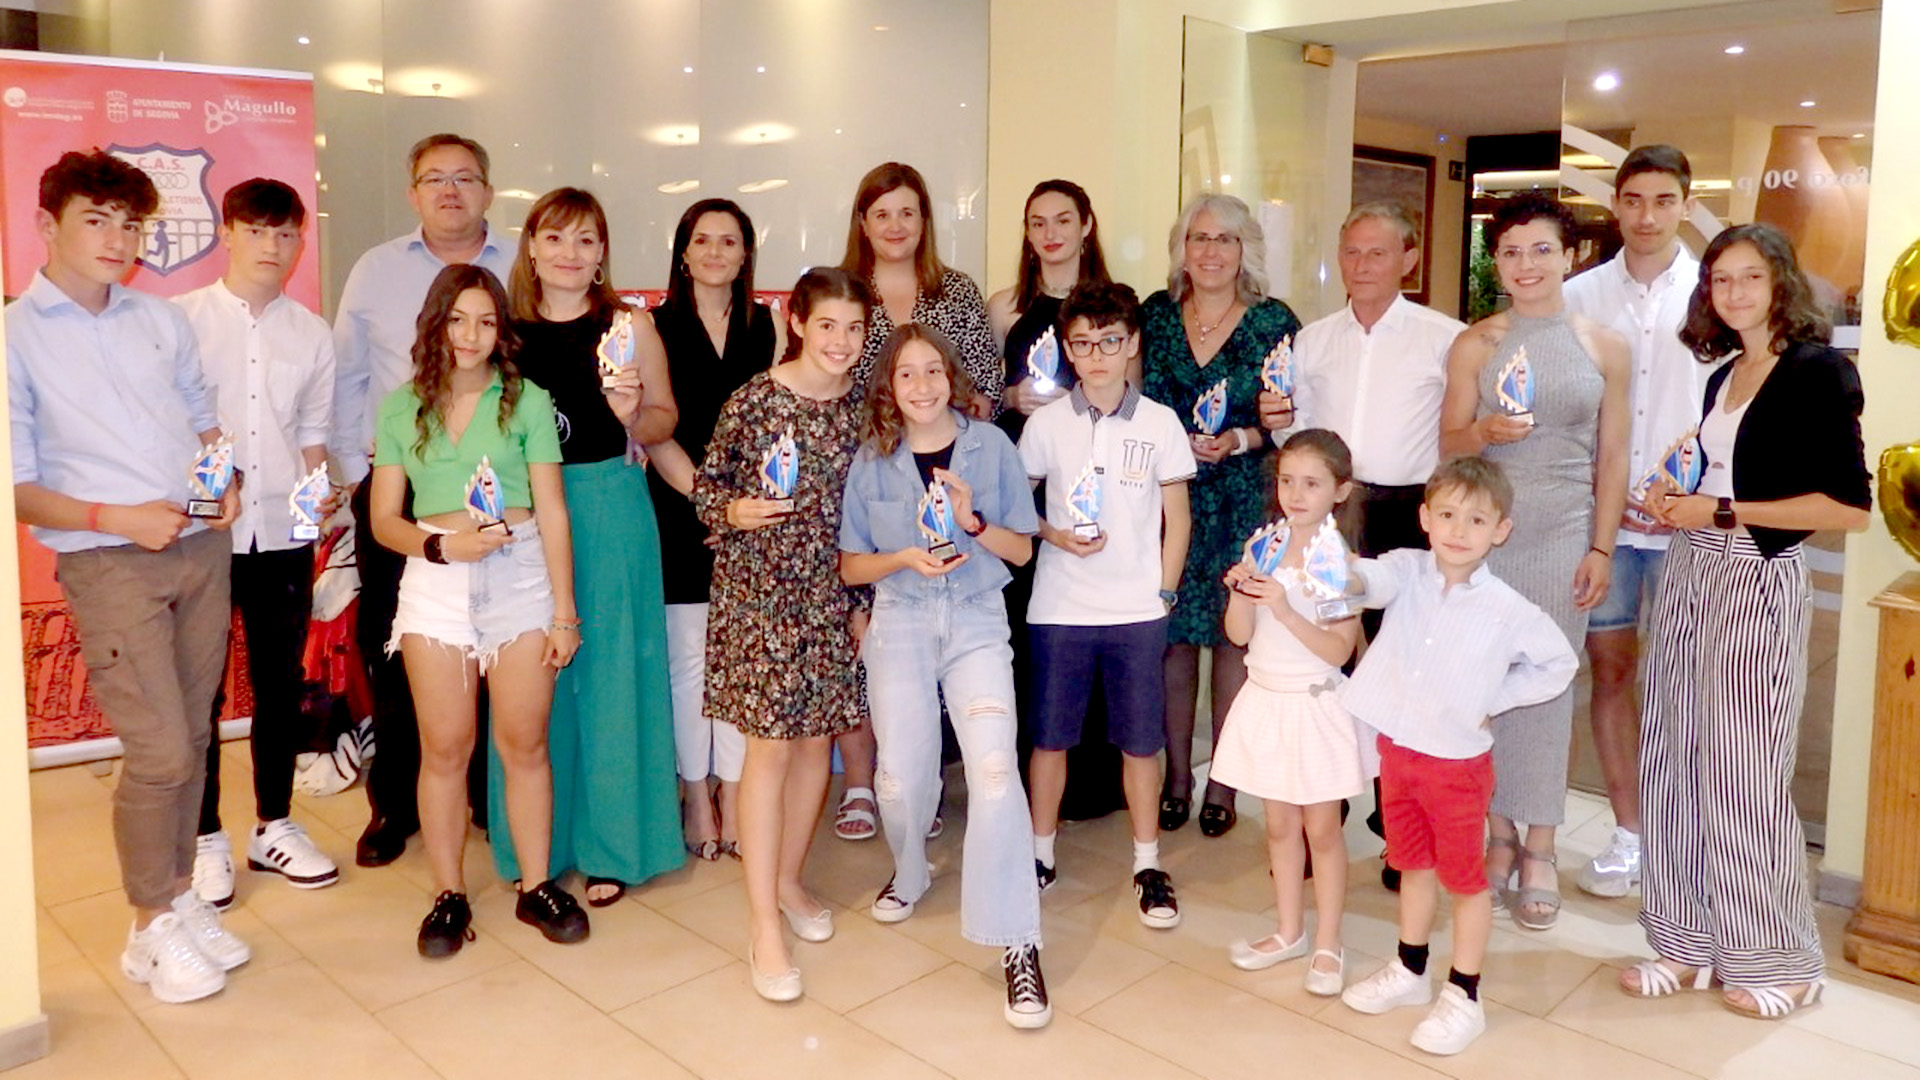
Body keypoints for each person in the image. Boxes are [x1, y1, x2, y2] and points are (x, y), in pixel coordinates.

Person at [9, 150, 247, 1002]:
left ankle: (179, 899)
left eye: (130, 225)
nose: (117, 241)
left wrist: (227, 484)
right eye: (96, 221)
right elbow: (18, 486)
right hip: (109, 561)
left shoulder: (158, 318)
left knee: (190, 741)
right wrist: (118, 518)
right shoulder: (15, 335)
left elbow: (201, 417)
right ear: (48, 225)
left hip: (196, 546)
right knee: (155, 753)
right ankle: (147, 929)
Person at [1623, 222, 1869, 1019]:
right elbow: (1712, 471)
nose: (1732, 293)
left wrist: (1719, 510)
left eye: (1749, 278)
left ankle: (1782, 960)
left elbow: (1846, 507)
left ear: (1781, 283)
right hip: (1692, 570)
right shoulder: (1723, 372)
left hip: (1756, 578)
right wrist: (1674, 499)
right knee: (1673, 756)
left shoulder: (1815, 371)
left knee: (1744, 771)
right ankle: (1686, 941)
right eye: (1719, 280)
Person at [368, 264, 587, 956]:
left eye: (487, 320)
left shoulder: (525, 401)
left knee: (523, 743)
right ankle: (448, 895)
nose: (471, 334)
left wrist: (565, 612)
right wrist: (441, 547)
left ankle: (534, 886)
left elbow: (552, 511)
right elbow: (382, 521)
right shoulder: (402, 406)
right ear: (436, 322)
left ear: (502, 329)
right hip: (436, 581)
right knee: (445, 748)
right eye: (458, 319)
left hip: (520, 576)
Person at [839, 324, 1050, 1029]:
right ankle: (911, 867)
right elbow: (851, 565)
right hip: (899, 619)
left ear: (951, 377)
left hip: (974, 620)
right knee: (899, 780)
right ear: (889, 389)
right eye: (907, 375)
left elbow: (1020, 552)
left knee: (994, 773)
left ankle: (1018, 941)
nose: (922, 386)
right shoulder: (873, 458)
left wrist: (973, 519)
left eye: (933, 371)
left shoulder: (991, 447)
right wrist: (902, 557)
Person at [1337, 457, 1578, 1055]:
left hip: (1457, 766)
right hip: (1400, 751)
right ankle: (1410, 969)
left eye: (1476, 519)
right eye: (1446, 514)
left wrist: (1495, 697)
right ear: (1424, 518)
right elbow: (1370, 580)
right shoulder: (1409, 570)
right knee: (1410, 864)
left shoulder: (1508, 608)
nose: (1458, 530)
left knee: (1464, 881)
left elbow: (1559, 663)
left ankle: (1464, 994)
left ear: (1500, 529)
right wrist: (1335, 572)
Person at [1437, 193, 1630, 930]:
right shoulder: (1476, 344)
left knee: (1547, 687)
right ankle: (1499, 832)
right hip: (1487, 535)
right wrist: (1482, 429)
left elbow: (1612, 456)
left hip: (1561, 534)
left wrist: (1602, 546)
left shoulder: (1604, 345)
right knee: (1485, 687)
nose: (1526, 265)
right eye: (1511, 251)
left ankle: (1542, 843)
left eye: (1541, 249)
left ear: (1571, 255)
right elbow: (1447, 445)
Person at [1260, 202, 1466, 887]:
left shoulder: (1446, 338)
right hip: (1327, 514)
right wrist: (1274, 424)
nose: (1363, 266)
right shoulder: (1312, 340)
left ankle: (1395, 829)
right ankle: (1319, 831)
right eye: (1352, 252)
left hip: (1407, 512)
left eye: (1379, 253)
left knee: (1399, 673)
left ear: (1409, 259)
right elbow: (1295, 434)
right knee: (1323, 672)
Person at [333, 133, 517, 868]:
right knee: (399, 647)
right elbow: (348, 378)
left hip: (498, 491)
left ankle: (482, 793)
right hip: (399, 489)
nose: (450, 191)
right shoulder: (376, 270)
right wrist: (357, 473)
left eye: (465, 178)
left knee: (495, 641)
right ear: (413, 194)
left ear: (487, 191)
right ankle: (395, 804)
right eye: (434, 179)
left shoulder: (519, 265)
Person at [499, 187, 682, 906]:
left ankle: (616, 843)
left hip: (609, 505)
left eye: (585, 240)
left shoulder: (628, 326)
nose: (569, 255)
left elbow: (666, 421)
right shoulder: (504, 333)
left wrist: (637, 415)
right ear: (532, 247)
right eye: (555, 238)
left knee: (612, 678)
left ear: (603, 251)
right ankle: (538, 842)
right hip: (524, 519)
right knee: (532, 681)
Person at [694, 268, 872, 1002]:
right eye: (827, 324)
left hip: (833, 595)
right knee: (767, 749)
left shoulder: (868, 408)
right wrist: (733, 513)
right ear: (797, 321)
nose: (841, 341)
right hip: (760, 595)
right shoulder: (755, 400)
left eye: (855, 328)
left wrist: (863, 599)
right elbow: (708, 488)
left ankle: (791, 880)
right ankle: (763, 922)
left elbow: (876, 508)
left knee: (816, 742)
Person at [176, 178, 342, 907]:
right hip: (199, 532)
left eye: (287, 235)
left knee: (281, 685)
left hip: (280, 532)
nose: (273, 247)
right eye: (259, 231)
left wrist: (318, 515)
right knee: (200, 689)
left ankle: (273, 825)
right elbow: (169, 421)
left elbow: (312, 440)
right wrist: (209, 486)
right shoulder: (179, 322)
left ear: (300, 243)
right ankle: (206, 835)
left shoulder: (311, 333)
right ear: (228, 233)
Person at [830, 162, 1000, 840]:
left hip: (941, 481)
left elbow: (985, 385)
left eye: (908, 212)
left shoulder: (955, 290)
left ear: (925, 219)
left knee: (930, 625)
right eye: (882, 214)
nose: (896, 225)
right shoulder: (845, 292)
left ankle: (922, 782)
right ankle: (865, 784)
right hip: (863, 479)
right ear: (863, 224)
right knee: (865, 626)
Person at [1562, 146, 1713, 899]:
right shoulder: (1580, 295)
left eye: (1664, 199)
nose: (1648, 216)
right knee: (1612, 671)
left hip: (1694, 520)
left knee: (1690, 679)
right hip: (1607, 523)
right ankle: (1629, 834)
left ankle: (1685, 842)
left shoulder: (1719, 292)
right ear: (1616, 205)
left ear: (1686, 203)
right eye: (1634, 199)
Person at [1020, 282, 1195, 928]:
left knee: (1140, 742)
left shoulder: (1159, 423)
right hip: (1060, 606)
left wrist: (1164, 592)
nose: (1096, 356)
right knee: (1050, 737)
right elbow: (1019, 505)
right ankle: (1040, 854)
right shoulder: (1045, 423)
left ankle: (1147, 862)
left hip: (1135, 610)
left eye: (1110, 342)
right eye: (1083, 344)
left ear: (1132, 344)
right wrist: (1051, 534)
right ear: (1067, 349)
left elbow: (1177, 518)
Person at [1137, 193, 1299, 839]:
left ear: (1244, 251)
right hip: (1167, 499)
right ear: (1183, 248)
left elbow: (1284, 418)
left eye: (1224, 240)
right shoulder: (1154, 316)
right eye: (1199, 238)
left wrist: (1240, 439)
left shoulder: (1271, 322)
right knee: (1174, 637)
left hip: (1240, 496)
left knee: (1235, 638)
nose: (1210, 251)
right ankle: (1177, 777)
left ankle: (1223, 784)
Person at [643, 199, 779, 862]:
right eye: (704, 240)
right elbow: (654, 426)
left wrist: (738, 509)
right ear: (684, 252)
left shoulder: (768, 327)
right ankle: (695, 791)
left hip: (751, 517)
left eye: (731, 241)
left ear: (746, 254)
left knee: (737, 666)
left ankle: (731, 790)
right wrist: (709, 503)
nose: (717, 251)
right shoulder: (653, 326)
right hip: (679, 509)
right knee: (690, 662)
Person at [985, 179, 1125, 822]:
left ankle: (1092, 781)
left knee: (1089, 627)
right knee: (1028, 633)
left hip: (1091, 492)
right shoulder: (1005, 306)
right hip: (1026, 491)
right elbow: (982, 403)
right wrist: (1011, 400)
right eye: (1037, 221)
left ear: (1088, 224)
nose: (1051, 233)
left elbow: (1134, 400)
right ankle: (1026, 773)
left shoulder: (1114, 306)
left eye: (1063, 219)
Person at [1216, 430, 1364, 996]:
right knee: (1278, 824)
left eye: (1312, 483)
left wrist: (1283, 604)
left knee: (1322, 829)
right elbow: (1237, 634)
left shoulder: (1339, 563)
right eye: (1286, 481)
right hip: (1266, 695)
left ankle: (1329, 941)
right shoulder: (1264, 546)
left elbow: (1338, 649)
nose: (1296, 495)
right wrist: (1241, 592)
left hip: (1314, 702)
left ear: (1340, 490)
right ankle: (1288, 930)